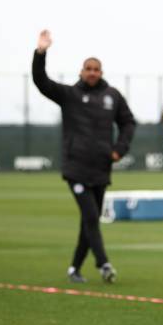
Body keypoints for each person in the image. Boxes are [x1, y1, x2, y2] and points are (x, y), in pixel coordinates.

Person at [32, 30, 136, 284]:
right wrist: (40, 53)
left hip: (101, 168)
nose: (91, 72)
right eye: (88, 68)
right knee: (91, 216)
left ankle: (74, 269)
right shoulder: (70, 95)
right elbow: (41, 81)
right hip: (76, 167)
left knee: (87, 223)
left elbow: (129, 122)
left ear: (101, 72)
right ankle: (104, 263)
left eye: (96, 69)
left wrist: (119, 150)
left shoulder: (112, 96)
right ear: (81, 71)